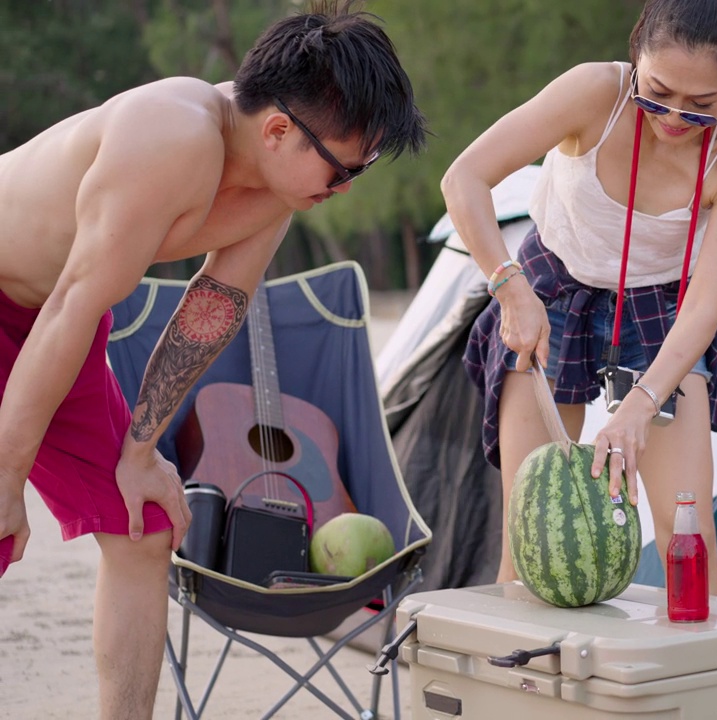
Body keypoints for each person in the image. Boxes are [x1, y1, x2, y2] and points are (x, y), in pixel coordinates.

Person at [0, 2, 426, 716]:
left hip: (49, 322)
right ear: (279, 128)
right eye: (342, 169)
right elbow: (75, 300)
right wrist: (7, 473)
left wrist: (140, 449)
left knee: (144, 525)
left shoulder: (274, 192)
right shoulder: (172, 133)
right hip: (50, 309)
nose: (344, 190)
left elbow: (211, 308)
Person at [445, 0, 717, 595]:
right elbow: (462, 179)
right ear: (636, 55)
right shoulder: (593, 91)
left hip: (661, 318)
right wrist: (509, 287)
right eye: (657, 92)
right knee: (530, 542)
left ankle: (697, 682)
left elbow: (704, 307)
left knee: (688, 541)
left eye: (702, 105)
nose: (674, 117)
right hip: (550, 290)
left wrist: (639, 406)